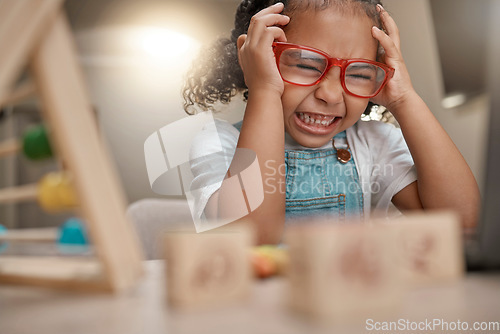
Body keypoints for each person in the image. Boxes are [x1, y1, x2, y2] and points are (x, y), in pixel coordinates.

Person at [183, 0, 480, 244]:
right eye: (304, 64)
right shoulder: (218, 143)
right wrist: (264, 90)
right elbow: (250, 240)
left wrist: (404, 98)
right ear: (255, 59)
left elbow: (462, 227)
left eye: (360, 73)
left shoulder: (373, 143)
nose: (330, 94)